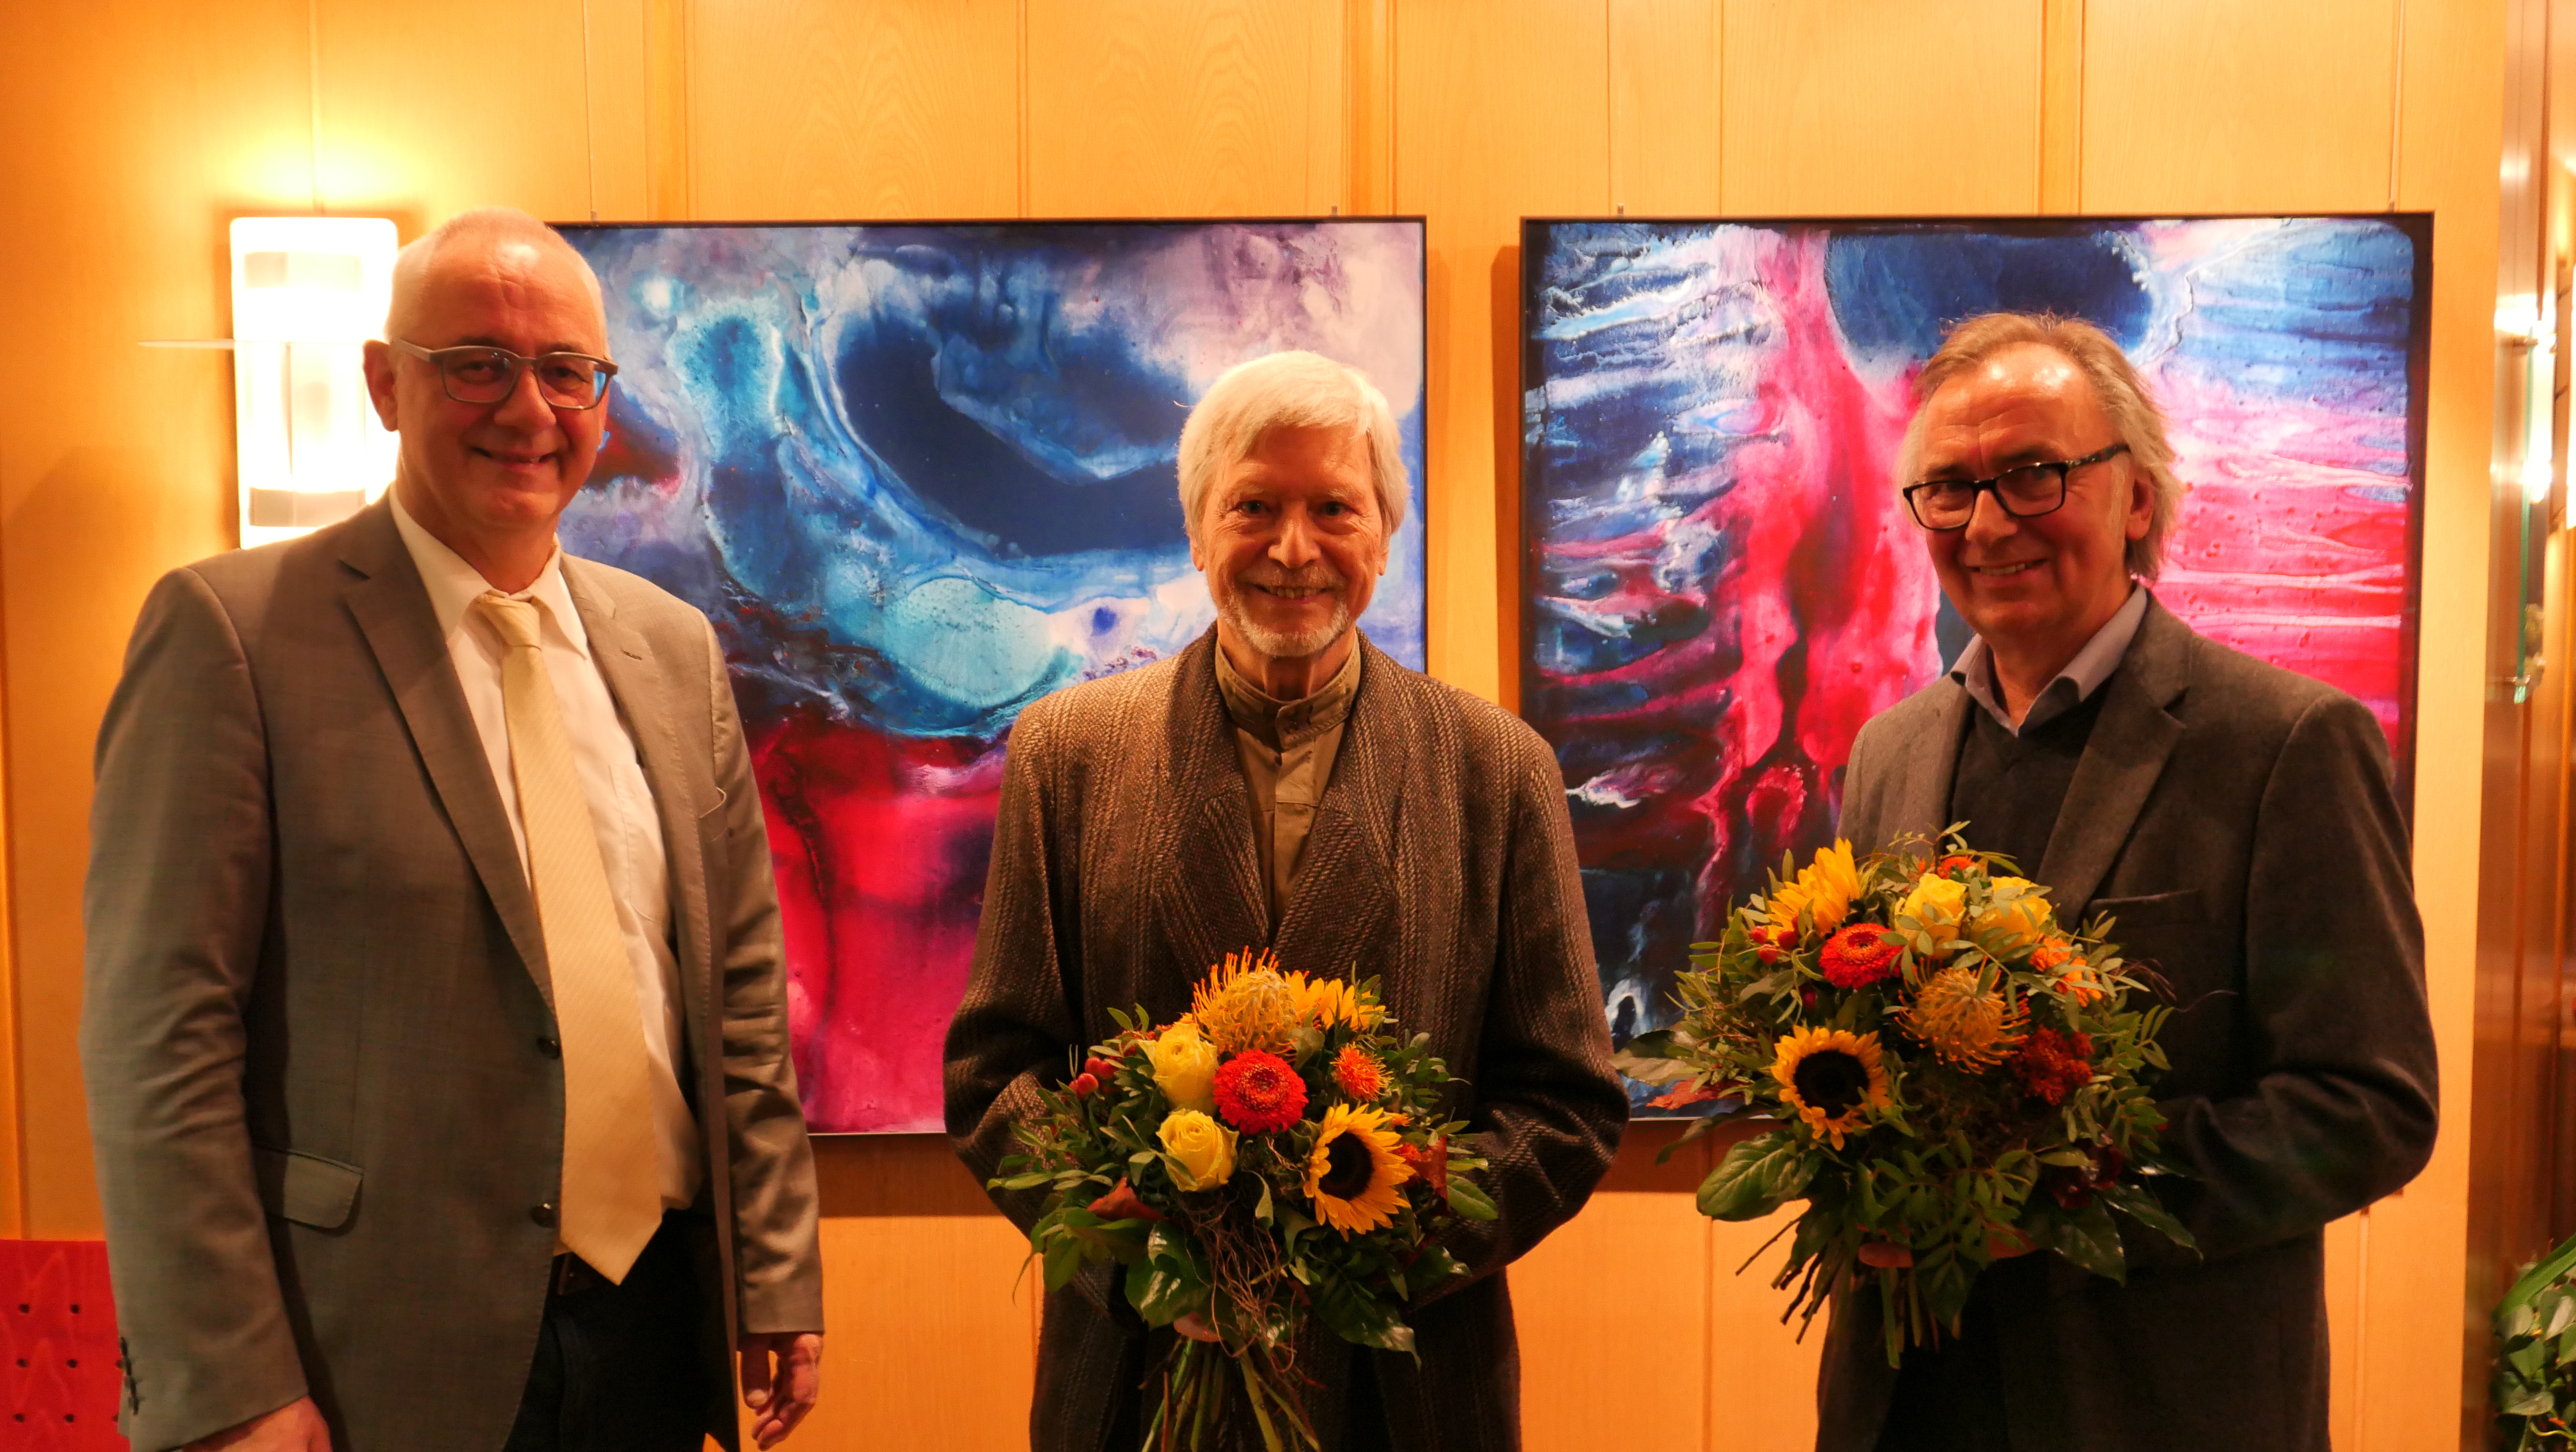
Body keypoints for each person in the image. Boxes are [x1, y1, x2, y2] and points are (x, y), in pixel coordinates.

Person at [82, 208, 826, 1452]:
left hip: (654, 1328)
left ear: (603, 401)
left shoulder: (673, 648)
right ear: (386, 384)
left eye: (565, 371)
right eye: (477, 364)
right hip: (369, 1353)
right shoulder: (233, 635)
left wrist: (773, 1271)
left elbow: (738, 991)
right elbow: (161, 1039)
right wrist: (232, 1383)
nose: (528, 409)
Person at [944, 350, 1626, 1450]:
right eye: (1253, 506)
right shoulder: (1069, 755)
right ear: (1197, 530)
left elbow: (1567, 1103)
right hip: (1136, 1381)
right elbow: (995, 1074)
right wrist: (1148, 1259)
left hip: (1407, 1389)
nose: (1293, 548)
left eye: (1333, 509)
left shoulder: (1496, 768)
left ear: (1384, 532)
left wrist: (1369, 1246)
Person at [1826, 312, 2440, 1451]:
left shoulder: (2284, 744)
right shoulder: (1888, 752)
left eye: (2033, 474)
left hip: (2162, 1404)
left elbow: (2369, 1110)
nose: (1986, 522)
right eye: (1948, 489)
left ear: (2139, 499)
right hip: (1905, 1403)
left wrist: (2064, 1201)